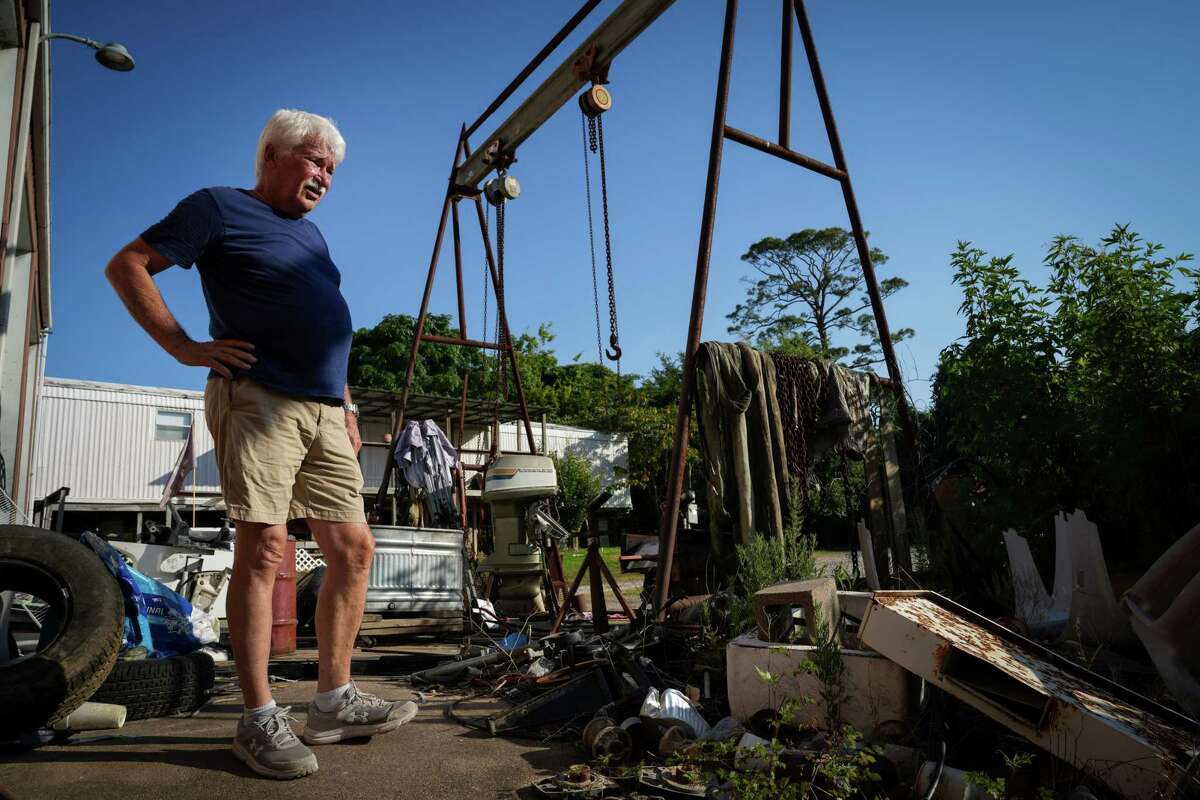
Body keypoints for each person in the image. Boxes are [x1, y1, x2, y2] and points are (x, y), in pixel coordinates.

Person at [104, 109, 416, 780]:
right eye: (314, 162)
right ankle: (258, 717)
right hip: (261, 398)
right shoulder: (215, 208)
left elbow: (324, 324)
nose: (324, 177)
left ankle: (332, 701)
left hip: (327, 410)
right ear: (272, 154)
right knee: (266, 547)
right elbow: (129, 264)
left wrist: (349, 402)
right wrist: (183, 346)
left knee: (354, 548)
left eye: (332, 169)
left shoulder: (312, 236)